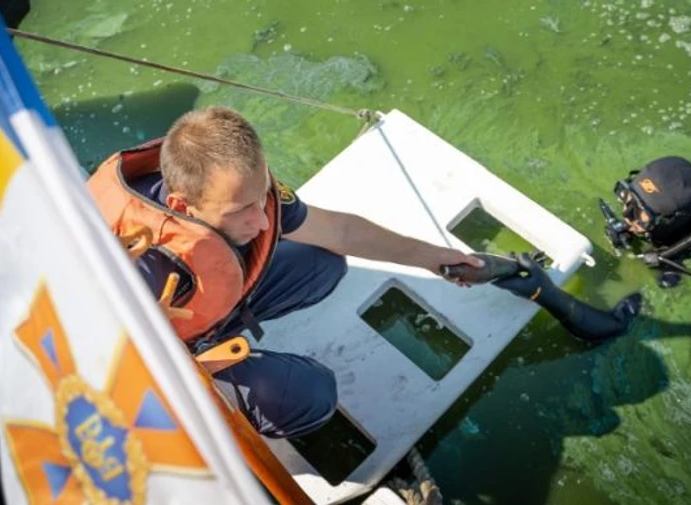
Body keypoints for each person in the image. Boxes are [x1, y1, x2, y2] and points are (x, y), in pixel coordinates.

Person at [88, 106, 484, 439]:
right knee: (313, 395)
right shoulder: (140, 266)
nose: (262, 221)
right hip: (162, 359)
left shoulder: (233, 187)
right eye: (240, 210)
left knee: (322, 263)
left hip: (203, 307)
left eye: (261, 196)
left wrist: (433, 257)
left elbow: (339, 231)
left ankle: (220, 320)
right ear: (181, 204)